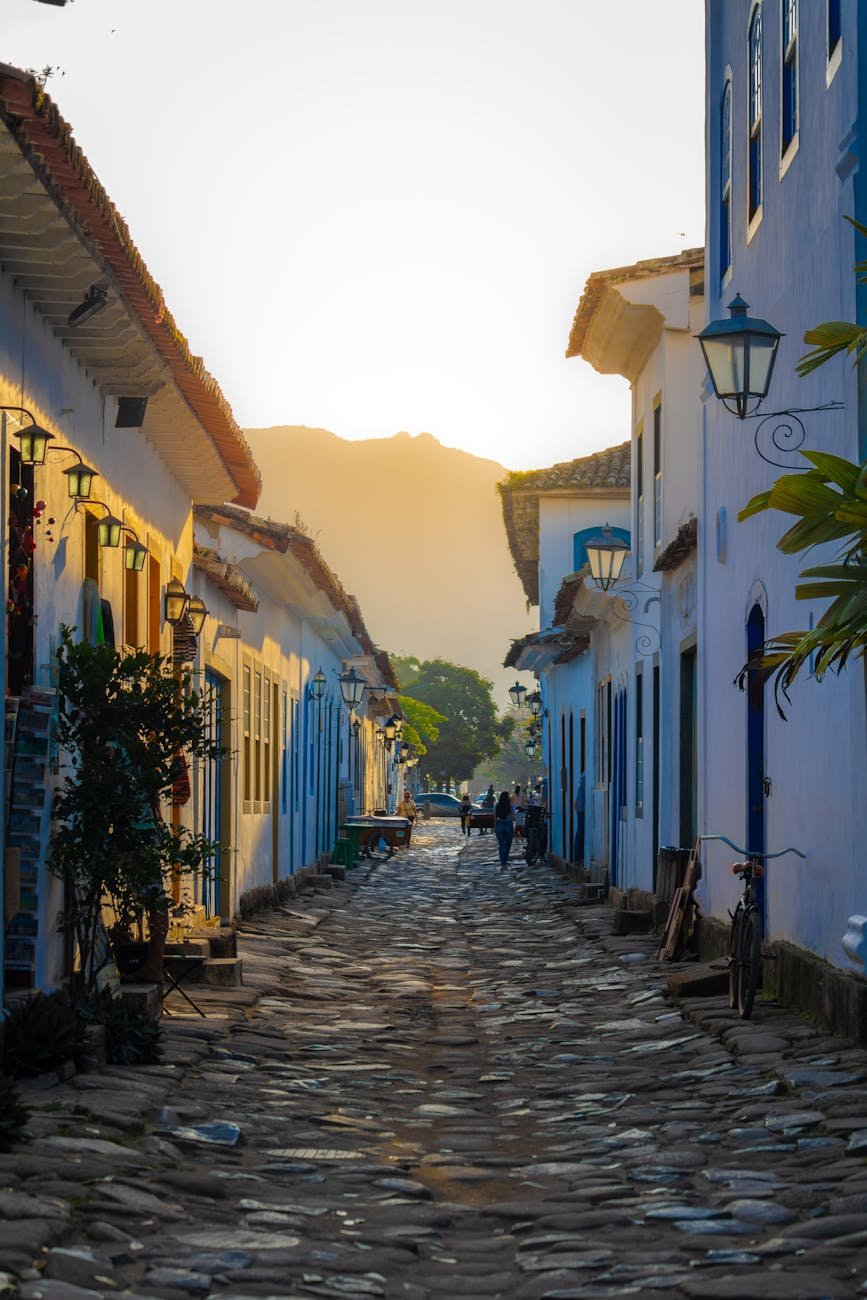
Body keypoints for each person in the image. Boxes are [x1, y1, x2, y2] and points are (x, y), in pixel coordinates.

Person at [494, 789, 514, 868]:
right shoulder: (509, 806)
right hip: (508, 824)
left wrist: (495, 826)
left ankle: (503, 862)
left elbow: (495, 817)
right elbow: (513, 817)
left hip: (499, 824)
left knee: (501, 845)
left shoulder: (497, 806)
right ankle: (505, 861)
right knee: (508, 844)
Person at [573, 770, 585, 868]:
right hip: (582, 808)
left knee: (580, 833)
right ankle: (578, 858)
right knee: (580, 833)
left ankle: (578, 858)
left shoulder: (584, 775)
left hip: (580, 807)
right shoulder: (586, 775)